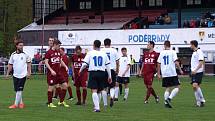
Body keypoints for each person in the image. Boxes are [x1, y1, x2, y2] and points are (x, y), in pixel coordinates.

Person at [79, 40, 112, 112]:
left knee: (94, 90)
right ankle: (100, 105)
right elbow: (108, 66)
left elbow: (84, 64)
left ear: (94, 45)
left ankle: (97, 107)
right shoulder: (104, 54)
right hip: (102, 73)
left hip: (93, 73)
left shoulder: (90, 53)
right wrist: (110, 76)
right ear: (100, 45)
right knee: (100, 90)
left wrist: (80, 70)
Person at [157, 41, 183, 108]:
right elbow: (176, 62)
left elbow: (158, 63)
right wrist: (180, 69)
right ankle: (169, 99)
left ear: (164, 45)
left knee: (167, 88)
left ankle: (166, 103)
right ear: (170, 45)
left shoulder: (162, 52)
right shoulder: (173, 52)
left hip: (165, 73)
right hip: (172, 72)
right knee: (178, 87)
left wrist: (158, 73)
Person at [6, 40, 31, 109]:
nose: (21, 46)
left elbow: (29, 64)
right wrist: (7, 74)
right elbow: (10, 64)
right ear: (16, 46)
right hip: (15, 75)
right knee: (17, 90)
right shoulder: (13, 54)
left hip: (23, 75)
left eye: (22, 45)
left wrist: (29, 73)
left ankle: (15, 104)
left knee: (19, 90)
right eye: (20, 45)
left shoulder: (25, 55)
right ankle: (21, 103)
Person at [45, 39, 70, 108]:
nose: (59, 47)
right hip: (52, 74)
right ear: (55, 45)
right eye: (59, 45)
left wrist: (65, 66)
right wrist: (51, 70)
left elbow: (60, 60)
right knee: (51, 88)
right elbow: (46, 62)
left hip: (58, 73)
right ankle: (50, 103)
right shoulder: (48, 52)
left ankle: (61, 101)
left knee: (65, 85)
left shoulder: (58, 52)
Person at [101, 38, 120, 107]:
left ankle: (105, 104)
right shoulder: (114, 50)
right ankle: (112, 96)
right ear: (110, 43)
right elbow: (117, 62)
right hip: (112, 70)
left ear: (104, 43)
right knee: (112, 86)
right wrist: (117, 70)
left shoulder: (101, 50)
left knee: (104, 87)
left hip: (104, 70)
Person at [190, 40, 206, 107]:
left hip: (198, 72)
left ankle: (202, 100)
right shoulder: (194, 53)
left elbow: (201, 62)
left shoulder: (199, 52)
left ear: (193, 45)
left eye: (190, 45)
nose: (190, 46)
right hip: (194, 72)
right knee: (195, 87)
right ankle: (199, 102)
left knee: (195, 85)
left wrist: (196, 70)